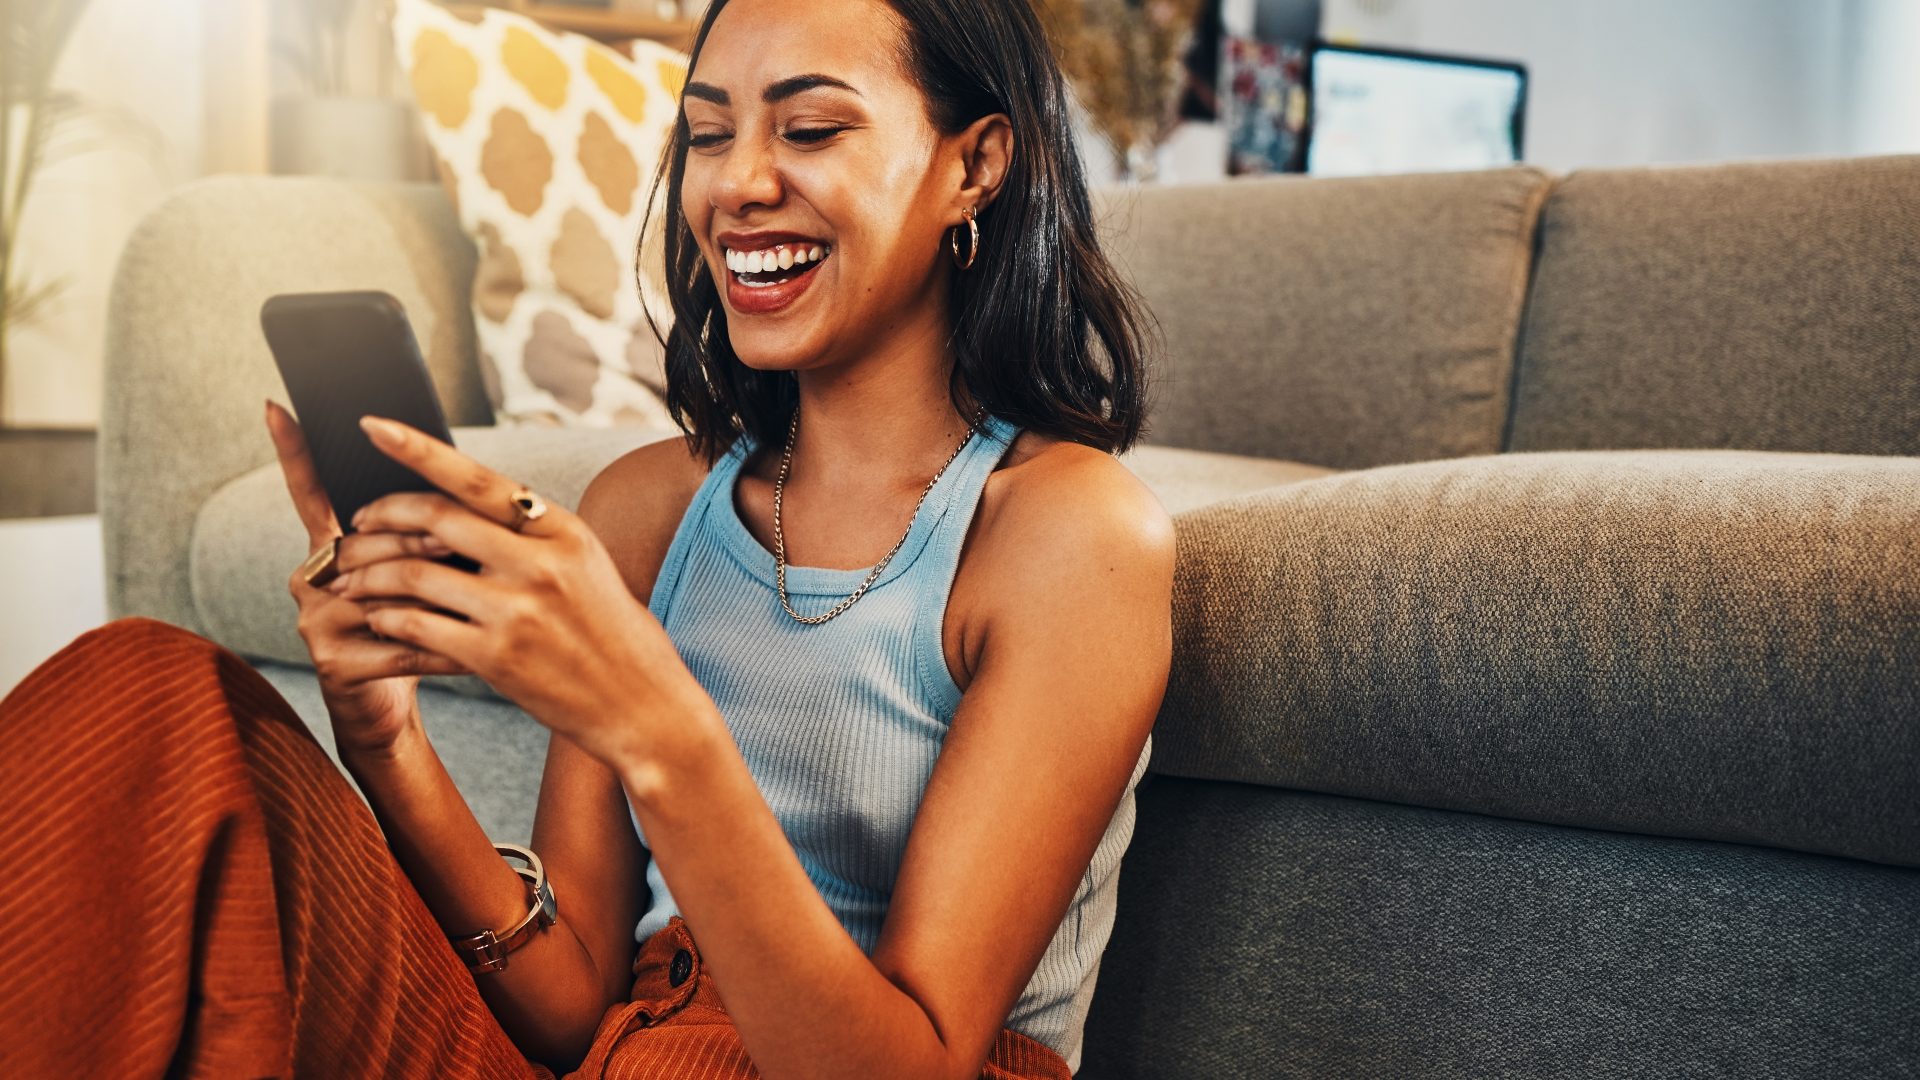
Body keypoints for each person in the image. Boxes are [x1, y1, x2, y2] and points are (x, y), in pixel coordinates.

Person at [0, 0, 1173, 1076]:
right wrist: (385, 742)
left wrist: (654, 720)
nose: (739, 185)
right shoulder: (653, 508)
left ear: (976, 164)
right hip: (622, 1054)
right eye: (708, 137)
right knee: (149, 693)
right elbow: (567, 1010)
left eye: (810, 129)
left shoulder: (1065, 536)